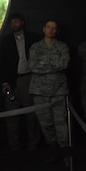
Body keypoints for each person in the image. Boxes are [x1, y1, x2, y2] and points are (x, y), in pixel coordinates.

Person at [0, 13, 41, 152]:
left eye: (16, 21)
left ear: (22, 22)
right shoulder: (6, 41)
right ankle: (14, 147)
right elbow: (2, 63)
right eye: (12, 22)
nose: (14, 24)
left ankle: (33, 145)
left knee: (32, 116)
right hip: (12, 80)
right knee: (11, 116)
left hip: (29, 79)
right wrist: (4, 83)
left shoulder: (34, 38)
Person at [28, 20, 70, 155]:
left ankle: (65, 153)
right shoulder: (35, 47)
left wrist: (44, 62)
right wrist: (53, 64)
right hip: (40, 92)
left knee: (61, 124)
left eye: (54, 28)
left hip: (58, 91)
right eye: (48, 27)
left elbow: (64, 64)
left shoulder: (62, 47)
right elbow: (33, 66)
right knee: (46, 125)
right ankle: (53, 150)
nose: (51, 30)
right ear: (43, 29)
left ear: (57, 31)